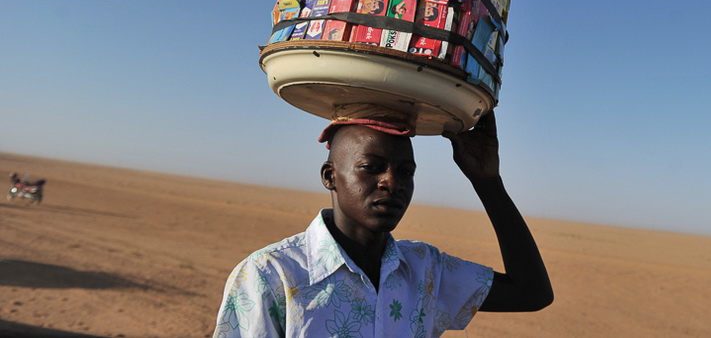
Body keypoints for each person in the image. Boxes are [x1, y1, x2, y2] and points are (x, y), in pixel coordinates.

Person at [213, 111, 552, 337]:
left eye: (406, 172)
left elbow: (532, 293)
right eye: (372, 167)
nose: (392, 182)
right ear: (331, 177)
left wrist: (487, 181)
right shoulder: (271, 275)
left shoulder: (424, 271)